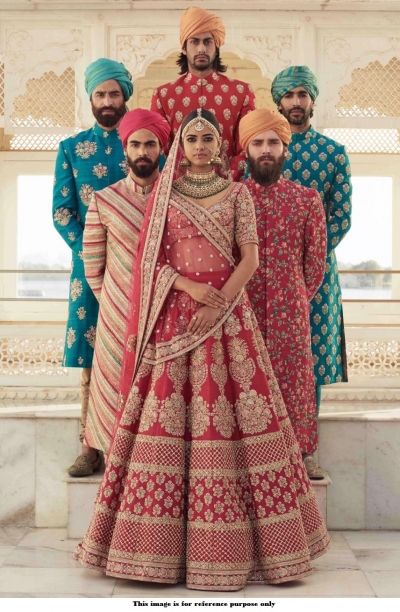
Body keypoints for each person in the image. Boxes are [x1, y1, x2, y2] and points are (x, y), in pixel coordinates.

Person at [74, 108, 330, 590]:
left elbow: (249, 258)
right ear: (181, 146)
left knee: (239, 423)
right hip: (177, 319)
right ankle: (153, 553)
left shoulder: (237, 194)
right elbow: (152, 263)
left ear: (219, 146)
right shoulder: (164, 197)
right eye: (191, 138)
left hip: (231, 321)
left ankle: (251, 549)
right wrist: (191, 292)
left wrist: (222, 303)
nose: (198, 145)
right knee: (167, 422)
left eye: (207, 138)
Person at [53, 58, 133, 477]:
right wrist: (92, 254)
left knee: (135, 353)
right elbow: (63, 212)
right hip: (88, 272)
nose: (107, 101)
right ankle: (90, 447)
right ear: (90, 99)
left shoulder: (142, 143)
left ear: (125, 97)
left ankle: (134, 446)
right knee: (90, 355)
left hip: (138, 268)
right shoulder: (71, 148)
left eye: (114, 94)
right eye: (100, 94)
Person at [271, 66, 352, 479]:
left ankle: (306, 451)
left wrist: (308, 259)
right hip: (266, 275)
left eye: (303, 94)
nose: (296, 102)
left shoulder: (334, 152)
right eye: (289, 95)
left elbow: (341, 215)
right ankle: (269, 449)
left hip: (317, 277)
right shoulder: (263, 149)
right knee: (266, 357)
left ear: (313, 100)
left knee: (312, 361)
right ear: (278, 101)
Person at [240, 109, 327, 467]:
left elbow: (315, 264)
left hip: (290, 312)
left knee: (294, 382)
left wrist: (292, 299)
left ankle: (300, 455)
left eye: (273, 142)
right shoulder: (232, 198)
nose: (265, 149)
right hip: (240, 310)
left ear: (285, 148)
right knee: (244, 384)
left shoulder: (306, 200)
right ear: (246, 149)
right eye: (257, 142)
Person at [82, 109, 171, 455]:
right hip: (118, 314)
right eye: (136, 144)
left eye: (150, 144)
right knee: (111, 386)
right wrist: (117, 303)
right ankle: (112, 459)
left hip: (168, 314)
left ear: (161, 148)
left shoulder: (177, 198)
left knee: (161, 391)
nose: (143, 151)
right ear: (125, 149)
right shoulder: (104, 200)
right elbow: (93, 264)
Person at [150, 6, 255, 180]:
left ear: (217, 46)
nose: (201, 49)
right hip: (178, 190)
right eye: (194, 41)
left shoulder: (241, 92)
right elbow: (160, 147)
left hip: (227, 188)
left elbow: (246, 145)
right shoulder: (163, 95)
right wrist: (178, 182)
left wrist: (228, 180)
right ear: (184, 47)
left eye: (207, 42)